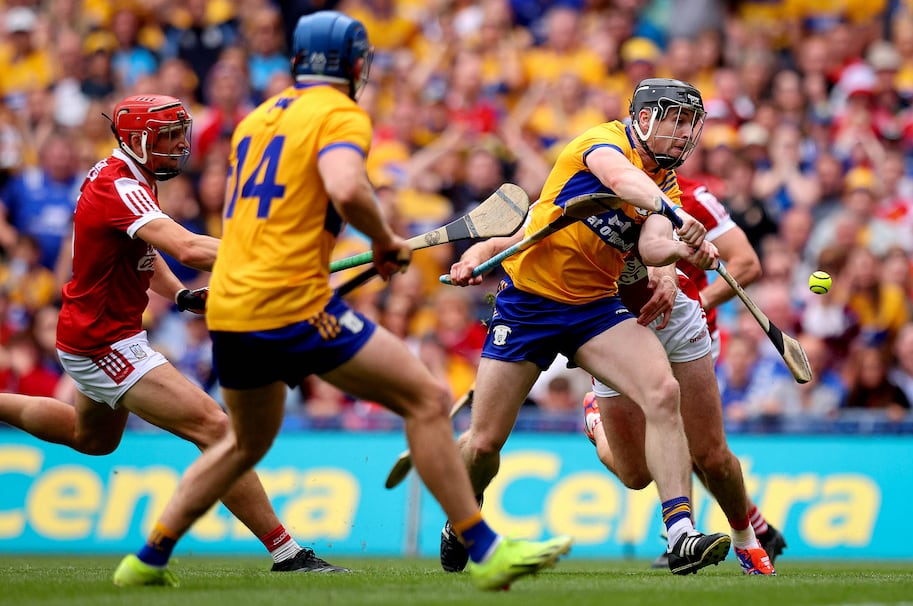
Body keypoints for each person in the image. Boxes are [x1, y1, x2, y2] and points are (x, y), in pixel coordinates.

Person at [113, 11, 571, 591]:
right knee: (427, 399)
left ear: (299, 62)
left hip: (234, 301)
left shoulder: (257, 118)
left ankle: (147, 559)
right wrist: (382, 241)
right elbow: (348, 186)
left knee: (243, 443)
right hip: (291, 303)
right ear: (356, 64)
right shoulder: (340, 114)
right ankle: (484, 549)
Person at [0, 94, 344, 578]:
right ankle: (288, 553)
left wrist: (179, 296)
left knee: (91, 439)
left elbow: (145, 245)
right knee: (218, 429)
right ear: (138, 140)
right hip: (104, 343)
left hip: (95, 334)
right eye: (168, 137)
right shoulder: (119, 185)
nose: (181, 145)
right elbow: (183, 244)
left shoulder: (130, 176)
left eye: (181, 134)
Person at [446, 78, 731, 576]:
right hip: (527, 307)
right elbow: (621, 181)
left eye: (690, 123)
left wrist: (685, 245)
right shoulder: (600, 144)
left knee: (662, 391)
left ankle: (680, 533)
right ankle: (461, 516)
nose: (684, 133)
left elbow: (652, 246)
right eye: (674, 120)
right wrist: (676, 213)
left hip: (594, 310)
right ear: (643, 119)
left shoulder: (663, 186)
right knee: (485, 442)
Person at [582, 175, 781, 574]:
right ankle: (597, 420)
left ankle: (705, 537)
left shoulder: (694, 196)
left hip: (689, 327)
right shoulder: (591, 195)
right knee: (640, 469)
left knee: (705, 451)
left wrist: (699, 299)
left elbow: (746, 263)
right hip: (621, 329)